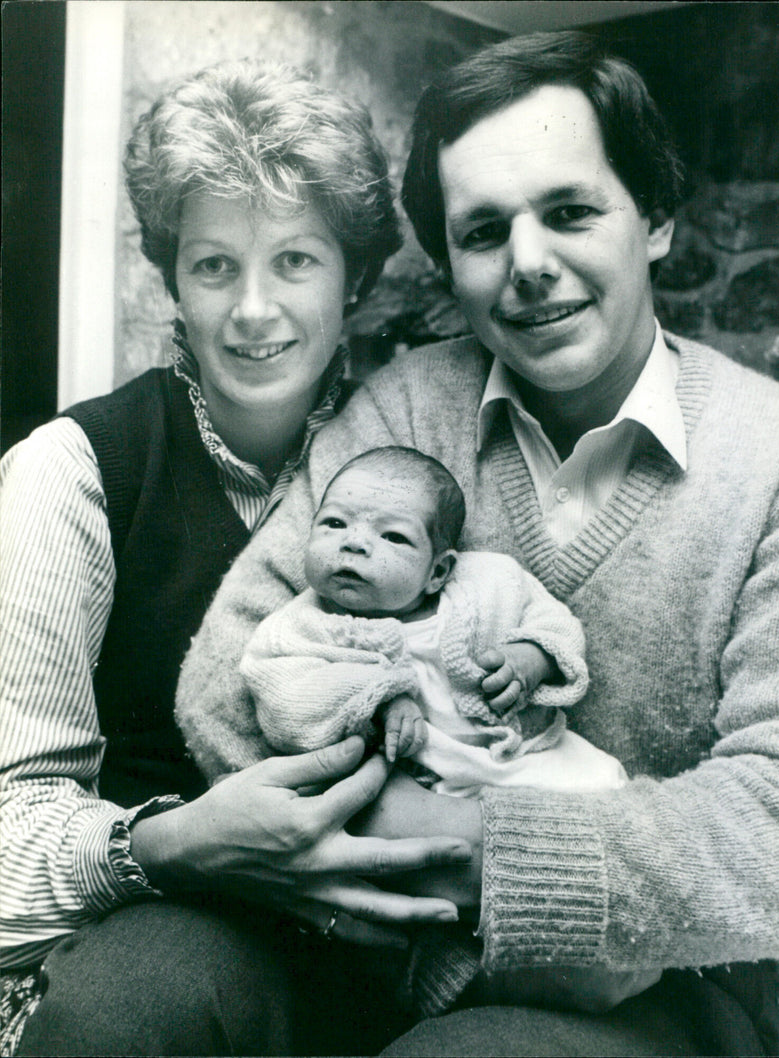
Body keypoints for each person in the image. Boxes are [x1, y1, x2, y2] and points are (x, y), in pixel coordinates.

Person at [175, 31, 779, 1058]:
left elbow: (778, 820)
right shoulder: (409, 406)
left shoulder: (776, 457)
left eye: (567, 211)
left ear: (653, 220)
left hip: (652, 987)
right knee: (128, 1001)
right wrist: (395, 854)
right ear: (449, 262)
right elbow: (224, 678)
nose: (527, 264)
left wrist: (481, 852)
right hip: (344, 928)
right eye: (482, 231)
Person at [0, 60, 478, 1058]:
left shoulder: (435, 442)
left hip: (418, 936)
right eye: (214, 264)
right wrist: (167, 842)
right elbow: (6, 849)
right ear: (170, 275)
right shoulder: (74, 472)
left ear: (357, 278)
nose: (253, 309)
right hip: (190, 937)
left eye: (295, 260)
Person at [190, 445, 628, 802]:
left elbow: (557, 622)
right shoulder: (299, 627)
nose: (354, 543)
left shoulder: (490, 582)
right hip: (417, 788)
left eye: (393, 536)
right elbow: (284, 702)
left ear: (437, 572)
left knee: (603, 783)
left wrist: (532, 657)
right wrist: (378, 704)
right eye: (334, 523)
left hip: (525, 753)